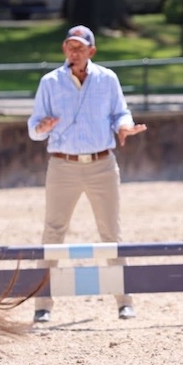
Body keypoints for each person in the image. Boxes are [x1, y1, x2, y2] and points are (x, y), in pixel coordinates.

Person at [27, 25, 147, 322]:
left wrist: (124, 126)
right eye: (69, 46)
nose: (74, 51)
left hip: (101, 164)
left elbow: (120, 112)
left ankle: (124, 300)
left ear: (91, 51)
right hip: (62, 165)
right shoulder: (50, 82)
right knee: (52, 232)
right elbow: (33, 128)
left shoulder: (108, 79)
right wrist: (41, 128)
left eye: (80, 47)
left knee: (111, 233)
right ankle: (43, 305)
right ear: (63, 49)